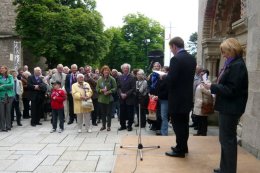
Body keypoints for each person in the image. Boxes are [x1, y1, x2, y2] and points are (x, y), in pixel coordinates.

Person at [203, 38, 248, 173]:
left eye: (225, 52)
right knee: (225, 140)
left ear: (232, 49)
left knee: (227, 140)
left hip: (231, 108)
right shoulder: (233, 63)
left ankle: (228, 170)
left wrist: (213, 86)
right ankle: (225, 167)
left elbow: (231, 90)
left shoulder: (237, 65)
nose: (223, 55)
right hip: (227, 107)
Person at [165, 37, 196, 158]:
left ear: (174, 46)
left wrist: (164, 77)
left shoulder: (176, 59)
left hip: (177, 98)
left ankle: (180, 150)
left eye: (171, 48)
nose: (171, 51)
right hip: (187, 97)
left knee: (178, 125)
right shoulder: (191, 58)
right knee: (184, 124)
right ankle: (184, 146)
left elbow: (172, 80)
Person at [96, 65, 117, 131]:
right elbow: (97, 88)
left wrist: (109, 92)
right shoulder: (99, 79)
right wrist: (101, 90)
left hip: (109, 99)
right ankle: (103, 125)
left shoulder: (112, 79)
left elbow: (115, 88)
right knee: (103, 113)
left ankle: (108, 126)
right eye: (105, 70)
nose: (106, 71)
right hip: (101, 99)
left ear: (109, 71)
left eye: (107, 70)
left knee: (108, 113)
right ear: (102, 71)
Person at [193, 69, 212, 136]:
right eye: (200, 74)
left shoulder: (208, 82)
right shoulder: (201, 82)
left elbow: (210, 93)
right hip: (198, 103)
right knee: (199, 119)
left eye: (202, 74)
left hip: (203, 104)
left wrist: (203, 88)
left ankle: (203, 133)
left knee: (203, 119)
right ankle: (199, 132)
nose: (201, 75)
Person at [117, 63, 136, 131]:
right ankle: (123, 125)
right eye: (124, 68)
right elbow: (118, 87)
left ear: (129, 69)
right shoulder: (120, 77)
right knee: (122, 112)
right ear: (122, 69)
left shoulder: (132, 77)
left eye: (127, 68)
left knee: (130, 113)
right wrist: (121, 93)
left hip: (129, 98)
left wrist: (126, 94)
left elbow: (133, 88)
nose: (125, 69)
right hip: (122, 98)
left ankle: (129, 126)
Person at [0, 65, 14, 132]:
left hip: (9, 96)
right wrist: (5, 86)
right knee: (2, 112)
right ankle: (2, 127)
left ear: (6, 69)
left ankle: (8, 126)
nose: (1, 69)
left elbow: (11, 85)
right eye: (0, 68)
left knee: (8, 111)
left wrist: (3, 85)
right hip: (1, 96)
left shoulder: (10, 77)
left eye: (2, 68)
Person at [158, 66, 169, 136]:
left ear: (167, 72)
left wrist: (162, 79)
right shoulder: (162, 79)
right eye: (161, 70)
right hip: (161, 99)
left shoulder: (167, 79)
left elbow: (166, 90)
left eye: (163, 70)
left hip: (165, 99)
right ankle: (162, 130)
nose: (162, 72)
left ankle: (164, 132)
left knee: (164, 116)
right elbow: (158, 88)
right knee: (161, 116)